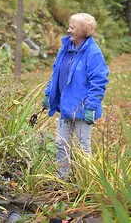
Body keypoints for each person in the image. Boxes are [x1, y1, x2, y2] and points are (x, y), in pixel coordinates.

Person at [42, 13, 109, 181]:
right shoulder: (65, 48)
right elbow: (55, 73)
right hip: (66, 107)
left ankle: (85, 181)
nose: (68, 30)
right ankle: (62, 179)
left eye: (72, 27)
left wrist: (91, 107)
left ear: (82, 31)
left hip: (83, 108)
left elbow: (99, 82)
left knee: (82, 147)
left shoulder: (93, 53)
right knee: (60, 143)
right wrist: (49, 93)